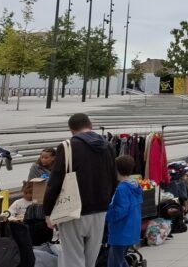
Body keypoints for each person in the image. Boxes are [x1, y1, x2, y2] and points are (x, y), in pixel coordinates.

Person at [43, 113, 117, 267]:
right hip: (100, 210)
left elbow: (55, 181)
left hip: (73, 209)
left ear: (71, 129)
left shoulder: (68, 146)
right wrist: (106, 202)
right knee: (90, 259)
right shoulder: (107, 146)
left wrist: (48, 211)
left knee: (73, 258)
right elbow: (113, 178)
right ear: (91, 125)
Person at [107, 156, 142, 267]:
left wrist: (106, 216)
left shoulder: (122, 189)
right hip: (131, 229)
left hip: (121, 231)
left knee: (114, 262)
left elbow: (120, 210)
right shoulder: (135, 186)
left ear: (116, 170)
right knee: (119, 259)